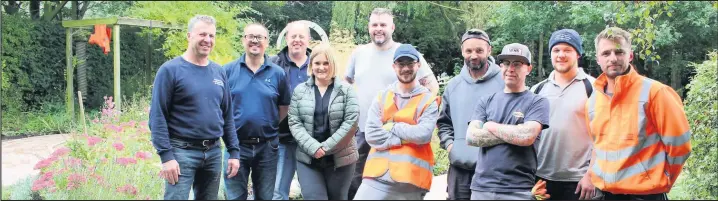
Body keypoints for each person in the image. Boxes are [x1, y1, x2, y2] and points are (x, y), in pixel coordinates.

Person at [343, 8, 440, 199]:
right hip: (364, 130)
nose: (379, 29)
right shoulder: (358, 53)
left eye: (383, 25)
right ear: (369, 27)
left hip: (404, 137)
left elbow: (432, 86)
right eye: (375, 25)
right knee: (357, 182)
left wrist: (419, 116)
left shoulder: (405, 53)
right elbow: (346, 84)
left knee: (397, 188)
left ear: (392, 27)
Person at [585, 27, 692, 200]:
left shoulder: (656, 92)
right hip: (604, 194)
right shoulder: (593, 100)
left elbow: (680, 146)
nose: (613, 58)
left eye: (619, 52)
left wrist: (663, 179)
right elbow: (597, 146)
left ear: (630, 55)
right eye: (606, 53)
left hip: (645, 195)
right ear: (598, 59)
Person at [148, 15, 241, 200]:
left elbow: (227, 115)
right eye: (202, 34)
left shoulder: (218, 71)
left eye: (212, 36)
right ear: (189, 36)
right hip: (181, 153)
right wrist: (166, 157)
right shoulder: (170, 70)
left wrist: (234, 151)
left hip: (213, 152)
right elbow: (157, 117)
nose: (207, 40)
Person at [466, 43, 551, 200]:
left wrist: (490, 126)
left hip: (519, 190)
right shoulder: (486, 101)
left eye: (517, 64)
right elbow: (472, 137)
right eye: (506, 63)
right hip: (481, 188)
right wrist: (514, 133)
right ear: (500, 67)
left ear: (528, 69)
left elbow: (526, 136)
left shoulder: (537, 102)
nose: (510, 68)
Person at [222, 23, 292, 200]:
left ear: (266, 42)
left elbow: (284, 106)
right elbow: (220, 106)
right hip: (235, 146)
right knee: (235, 196)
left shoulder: (278, 73)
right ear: (243, 40)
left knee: (265, 196)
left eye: (259, 37)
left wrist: (267, 124)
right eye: (250, 36)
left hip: (267, 147)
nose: (255, 41)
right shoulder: (227, 71)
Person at [436, 28, 504, 200]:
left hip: (495, 172)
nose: (474, 55)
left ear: (489, 50)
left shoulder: (504, 82)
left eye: (479, 50)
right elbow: (444, 122)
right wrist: (452, 147)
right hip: (460, 171)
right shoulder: (453, 86)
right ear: (462, 51)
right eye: (469, 51)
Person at [530, 29, 596, 200]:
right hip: (541, 178)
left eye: (568, 50)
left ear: (578, 54)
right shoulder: (537, 90)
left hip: (579, 181)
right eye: (556, 50)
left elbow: (603, 136)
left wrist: (591, 174)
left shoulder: (593, 87)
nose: (561, 55)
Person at [287, 43, 360, 200]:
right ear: (311, 65)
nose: (321, 67)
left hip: (340, 160)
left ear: (332, 64)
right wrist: (314, 147)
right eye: (317, 63)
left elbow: (351, 123)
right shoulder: (300, 91)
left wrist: (325, 148)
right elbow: (294, 122)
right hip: (308, 159)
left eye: (326, 63)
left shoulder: (346, 91)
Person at [269, 21, 313, 200]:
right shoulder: (273, 64)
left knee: (313, 191)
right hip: (282, 138)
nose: (297, 40)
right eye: (293, 36)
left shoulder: (319, 63)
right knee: (278, 190)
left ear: (308, 40)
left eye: (301, 36)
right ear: (286, 38)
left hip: (311, 139)